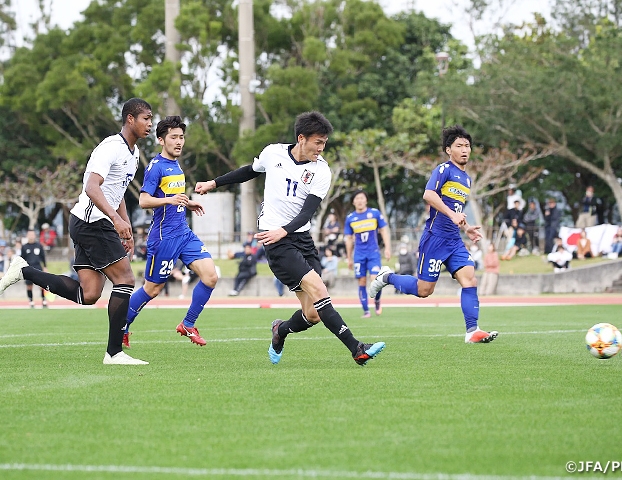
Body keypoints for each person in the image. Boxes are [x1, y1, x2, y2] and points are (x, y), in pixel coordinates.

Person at [195, 111, 385, 366]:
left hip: (301, 239)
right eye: (318, 142)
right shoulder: (273, 153)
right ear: (301, 138)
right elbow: (250, 171)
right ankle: (357, 349)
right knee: (319, 288)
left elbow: (308, 211)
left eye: (324, 143)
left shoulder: (321, 171)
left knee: (313, 313)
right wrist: (213, 183)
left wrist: (285, 229)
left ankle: (280, 330)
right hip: (276, 243)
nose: (321, 148)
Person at [0, 98, 153, 365]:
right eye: (146, 118)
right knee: (126, 280)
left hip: (92, 222)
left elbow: (116, 194)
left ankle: (23, 271)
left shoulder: (133, 155)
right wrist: (116, 221)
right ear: (130, 119)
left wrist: (124, 228)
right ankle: (114, 353)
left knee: (89, 294)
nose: (150, 124)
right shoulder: (111, 147)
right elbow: (92, 187)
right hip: (92, 223)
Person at [368, 125, 498, 344]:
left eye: (467, 146)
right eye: (459, 146)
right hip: (435, 238)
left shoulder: (466, 179)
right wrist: (451, 215)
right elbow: (428, 195)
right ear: (449, 150)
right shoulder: (443, 169)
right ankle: (387, 277)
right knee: (424, 290)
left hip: (454, 240)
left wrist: (466, 227)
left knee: (470, 280)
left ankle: (472, 330)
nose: (465, 150)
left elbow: (455, 211)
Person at [123, 116, 218, 348]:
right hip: (164, 237)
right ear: (161, 140)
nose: (179, 142)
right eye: (173, 137)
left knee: (211, 276)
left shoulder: (176, 166)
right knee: (152, 289)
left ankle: (188, 324)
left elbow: (173, 199)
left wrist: (185, 203)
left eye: (181, 137)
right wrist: (170, 200)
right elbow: (144, 200)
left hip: (183, 234)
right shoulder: (156, 167)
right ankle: (121, 326)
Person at [344, 190, 392, 317]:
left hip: (373, 253)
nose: (359, 200)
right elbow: (348, 239)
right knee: (362, 282)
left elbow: (383, 230)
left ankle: (377, 300)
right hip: (359, 255)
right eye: (357, 198)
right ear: (353, 202)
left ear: (366, 200)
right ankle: (366, 311)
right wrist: (349, 258)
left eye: (362, 198)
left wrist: (387, 248)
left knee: (375, 279)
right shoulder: (350, 218)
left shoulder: (374, 213)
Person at [21, 229, 49, 308]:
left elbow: (43, 257)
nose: (31, 236)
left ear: (35, 235)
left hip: (38, 267)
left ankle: (44, 300)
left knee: (42, 285)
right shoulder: (24, 247)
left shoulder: (39, 245)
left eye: (32, 234)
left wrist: (45, 267)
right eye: (29, 235)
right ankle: (31, 301)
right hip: (28, 268)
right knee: (29, 286)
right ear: (27, 236)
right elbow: (22, 258)